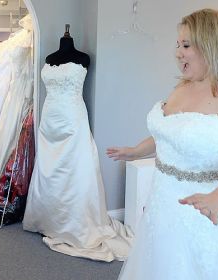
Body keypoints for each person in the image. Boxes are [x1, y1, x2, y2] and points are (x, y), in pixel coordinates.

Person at [107, 9, 218, 279]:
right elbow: (171, 134)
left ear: (211, 43)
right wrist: (136, 151)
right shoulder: (182, 86)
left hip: (210, 212)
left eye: (186, 45)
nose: (178, 53)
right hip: (165, 202)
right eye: (178, 45)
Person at [23, 26, 132, 262]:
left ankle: (75, 223)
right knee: (49, 170)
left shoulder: (84, 58)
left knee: (74, 168)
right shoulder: (48, 58)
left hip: (72, 119)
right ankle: (47, 218)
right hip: (49, 120)